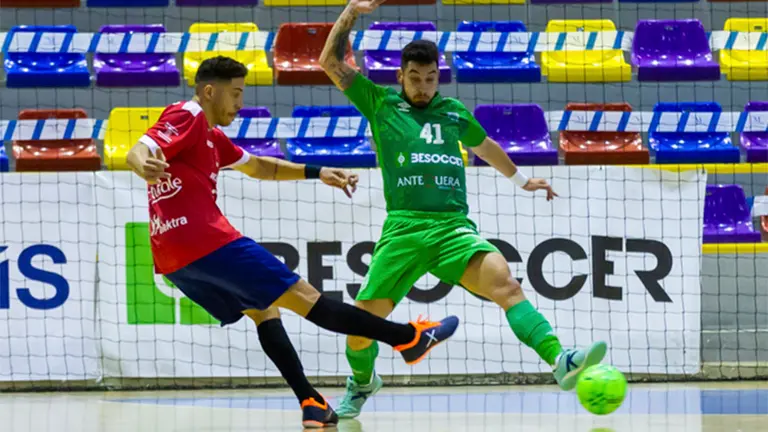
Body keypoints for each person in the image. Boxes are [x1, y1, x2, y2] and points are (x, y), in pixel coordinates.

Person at [125, 55, 460, 429]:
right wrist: (141, 163)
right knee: (307, 299)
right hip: (206, 240)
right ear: (208, 91)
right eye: (235, 94)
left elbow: (259, 167)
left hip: (174, 260)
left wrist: (318, 171)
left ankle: (312, 403)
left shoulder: (212, 137)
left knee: (264, 310)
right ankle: (407, 339)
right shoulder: (187, 114)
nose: (240, 104)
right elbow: (140, 149)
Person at [319, 0, 609, 419]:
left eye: (430, 78)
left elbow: (486, 147)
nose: (422, 86)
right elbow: (328, 61)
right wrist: (350, 12)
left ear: (440, 77)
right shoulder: (380, 103)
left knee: (507, 286)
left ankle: (560, 360)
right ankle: (362, 383)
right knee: (360, 331)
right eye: (414, 78)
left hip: (454, 229)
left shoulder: (454, 113)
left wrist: (522, 180)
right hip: (403, 230)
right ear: (400, 76)